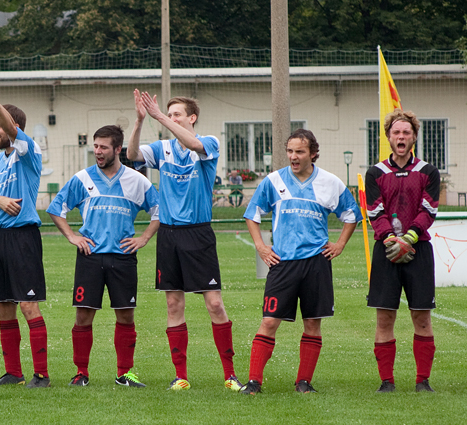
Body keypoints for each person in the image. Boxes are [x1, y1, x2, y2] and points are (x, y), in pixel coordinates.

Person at [127, 91, 240, 391]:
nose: (172, 118)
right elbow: (132, 155)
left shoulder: (209, 142)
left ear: (192, 117)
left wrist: (159, 117)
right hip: (169, 235)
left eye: (177, 114)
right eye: (169, 114)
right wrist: (140, 121)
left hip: (198, 233)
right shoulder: (162, 148)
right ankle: (181, 377)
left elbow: (193, 144)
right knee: (174, 304)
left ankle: (230, 375)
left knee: (214, 304)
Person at [241, 129, 359, 395]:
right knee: (269, 322)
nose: (293, 157)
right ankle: (254, 382)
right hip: (282, 263)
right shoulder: (273, 181)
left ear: (313, 154)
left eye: (300, 152)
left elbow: (352, 214)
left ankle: (304, 382)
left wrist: (339, 244)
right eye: (290, 151)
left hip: (316, 263)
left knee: (312, 324)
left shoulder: (330, 182)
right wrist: (261, 247)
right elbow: (252, 214)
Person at [47, 125, 159, 388]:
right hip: (90, 257)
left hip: (123, 258)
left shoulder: (137, 180)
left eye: (103, 147)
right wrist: (72, 236)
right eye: (95, 146)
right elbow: (56, 208)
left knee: (126, 316)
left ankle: (124, 374)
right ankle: (81, 373)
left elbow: (159, 210)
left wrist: (143, 238)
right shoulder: (82, 178)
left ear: (118, 149)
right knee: (83, 316)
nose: (97, 151)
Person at [0, 78, 51, 387]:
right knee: (4, 306)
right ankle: (13, 373)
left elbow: (10, 127)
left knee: (28, 305)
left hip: (23, 237)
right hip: (0, 239)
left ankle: (41, 374)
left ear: (12, 128)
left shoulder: (27, 151)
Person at [364, 109, 441, 393]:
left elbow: (428, 209)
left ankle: (423, 381)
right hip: (385, 251)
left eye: (406, 132)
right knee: (384, 318)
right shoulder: (375, 173)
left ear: (414, 137)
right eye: (396, 132)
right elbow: (375, 211)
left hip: (418, 250)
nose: (401, 136)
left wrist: (408, 238)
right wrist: (391, 240)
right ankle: (387, 382)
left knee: (422, 317)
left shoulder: (428, 172)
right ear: (388, 136)